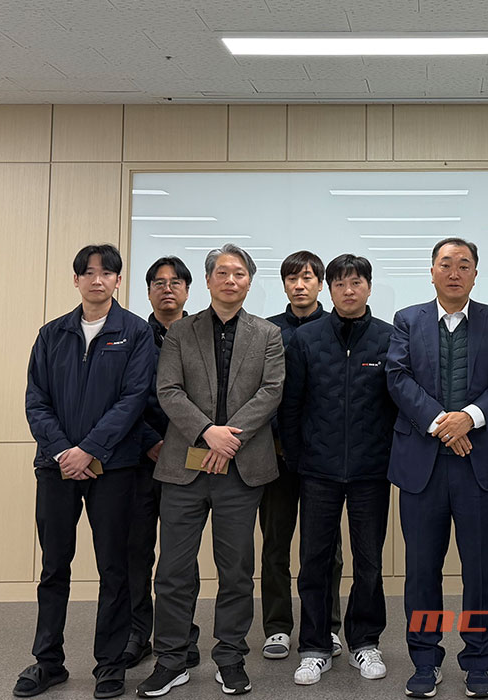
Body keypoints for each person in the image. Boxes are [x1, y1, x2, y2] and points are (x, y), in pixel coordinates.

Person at [137, 244, 285, 698]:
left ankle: (230, 657)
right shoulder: (181, 332)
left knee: (236, 570)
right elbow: (168, 389)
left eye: (239, 273)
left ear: (249, 282)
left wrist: (228, 439)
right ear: (207, 281)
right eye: (222, 272)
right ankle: (171, 659)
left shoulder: (268, 334)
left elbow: (271, 391)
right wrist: (207, 433)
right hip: (183, 468)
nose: (230, 280)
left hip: (241, 468)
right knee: (173, 570)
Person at [19, 244, 155, 699]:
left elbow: (133, 399)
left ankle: (110, 665)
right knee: (54, 565)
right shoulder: (52, 334)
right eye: (89, 272)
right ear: (76, 280)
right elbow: (36, 400)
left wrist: (91, 449)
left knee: (114, 566)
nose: (98, 280)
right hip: (56, 466)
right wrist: (64, 451)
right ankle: (48, 662)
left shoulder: (135, 333)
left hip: (114, 467)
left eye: (107, 272)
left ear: (118, 280)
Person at [387, 237, 488, 699]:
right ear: (432, 271)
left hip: (478, 466)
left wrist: (470, 417)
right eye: (446, 264)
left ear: (475, 274)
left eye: (464, 264)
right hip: (421, 468)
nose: (455, 272)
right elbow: (397, 378)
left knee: (479, 570)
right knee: (422, 569)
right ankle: (425, 660)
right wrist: (443, 423)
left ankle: (478, 660)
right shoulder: (407, 320)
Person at [283, 254, 396, 686]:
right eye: (340, 284)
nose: (349, 291)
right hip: (318, 471)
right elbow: (291, 405)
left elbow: (396, 405)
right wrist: (298, 459)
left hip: (371, 471)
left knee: (369, 562)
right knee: (314, 561)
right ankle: (314, 647)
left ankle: (365, 642)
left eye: (357, 283)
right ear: (328, 289)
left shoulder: (388, 338)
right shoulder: (306, 338)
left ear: (369, 287)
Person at [260, 251, 345, 662]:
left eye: (308, 278)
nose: (299, 285)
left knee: (326, 548)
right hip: (275, 456)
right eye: (292, 278)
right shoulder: (267, 330)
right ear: (283, 285)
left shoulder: (337, 328)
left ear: (320, 284)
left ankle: (328, 625)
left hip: (322, 460)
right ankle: (277, 626)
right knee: (275, 543)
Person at [123, 256, 201, 671]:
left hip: (188, 458)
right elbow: (123, 397)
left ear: (188, 290)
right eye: (158, 282)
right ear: (148, 290)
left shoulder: (201, 334)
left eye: (175, 282)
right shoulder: (132, 335)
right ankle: (138, 633)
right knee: (136, 550)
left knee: (181, 556)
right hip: (140, 458)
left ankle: (183, 634)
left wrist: (179, 442)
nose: (167, 289)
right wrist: (151, 441)